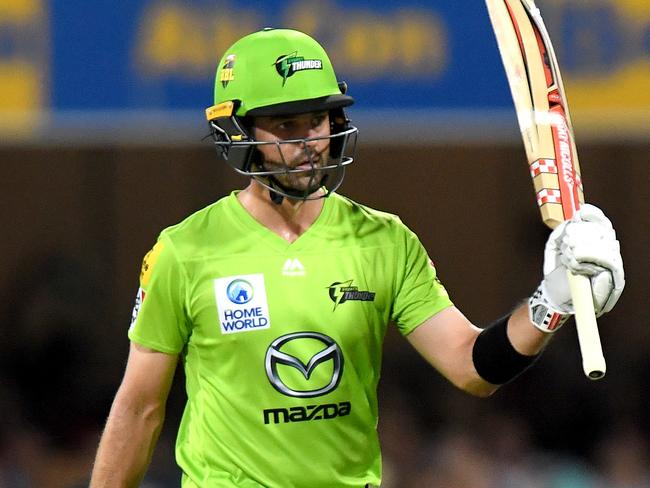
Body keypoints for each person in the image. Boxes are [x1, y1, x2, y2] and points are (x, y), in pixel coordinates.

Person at [89, 28, 625, 487]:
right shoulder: (184, 251)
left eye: (318, 120)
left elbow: (471, 367)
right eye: (286, 125)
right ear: (240, 131)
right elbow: (139, 408)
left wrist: (550, 301)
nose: (309, 142)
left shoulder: (384, 241)